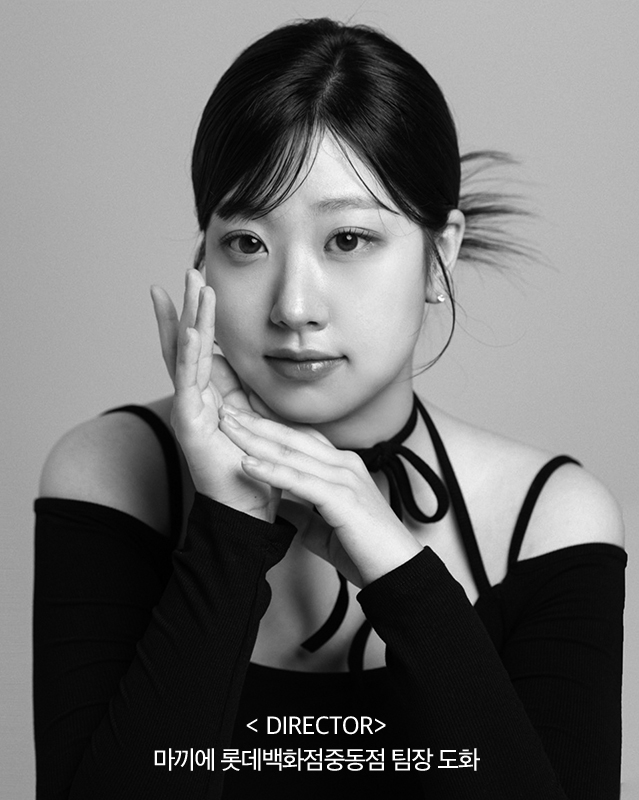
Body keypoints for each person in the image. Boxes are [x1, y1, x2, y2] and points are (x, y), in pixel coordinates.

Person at [33, 17, 626, 800]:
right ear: (204, 255)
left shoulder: (546, 516)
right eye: (247, 242)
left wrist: (401, 573)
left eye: (347, 240)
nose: (293, 307)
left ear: (439, 253)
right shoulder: (111, 470)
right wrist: (229, 528)